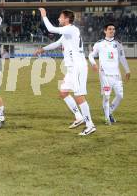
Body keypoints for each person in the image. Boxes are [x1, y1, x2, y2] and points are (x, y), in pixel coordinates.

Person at [34, 8, 96, 136]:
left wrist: (44, 16)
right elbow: (57, 43)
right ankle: (79, 117)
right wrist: (43, 49)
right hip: (72, 68)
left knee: (79, 96)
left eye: (60, 17)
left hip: (78, 66)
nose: (58, 19)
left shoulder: (71, 29)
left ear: (67, 19)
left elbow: (51, 29)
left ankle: (90, 125)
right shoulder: (67, 33)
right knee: (63, 92)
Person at [88, 23, 131, 124]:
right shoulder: (99, 44)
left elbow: (122, 58)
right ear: (105, 31)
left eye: (113, 29)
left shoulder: (118, 44)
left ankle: (109, 111)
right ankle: (107, 119)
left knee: (120, 96)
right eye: (110, 29)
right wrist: (93, 63)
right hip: (105, 75)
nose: (112, 31)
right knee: (106, 96)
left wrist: (127, 70)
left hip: (117, 75)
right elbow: (91, 55)